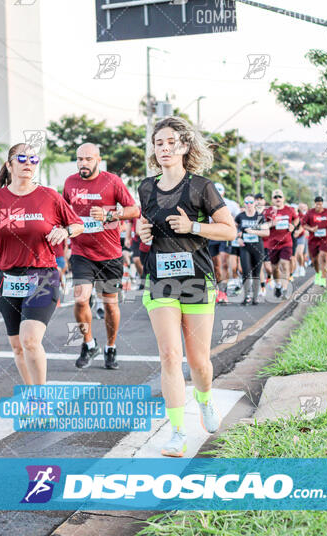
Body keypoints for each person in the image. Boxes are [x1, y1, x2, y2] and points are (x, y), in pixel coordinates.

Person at [138, 117, 236, 457]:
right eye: (158, 143)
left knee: (199, 362)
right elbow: (145, 227)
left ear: (184, 147)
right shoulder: (146, 188)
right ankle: (177, 432)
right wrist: (143, 233)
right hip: (160, 279)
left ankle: (205, 400)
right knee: (169, 356)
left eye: (170, 142)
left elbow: (229, 231)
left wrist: (193, 225)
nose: (164, 148)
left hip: (196, 279)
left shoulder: (201, 187)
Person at [0, 143, 83, 385]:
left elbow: (78, 224)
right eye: (22, 158)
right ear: (9, 164)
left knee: (29, 339)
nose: (28, 163)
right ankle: (32, 395)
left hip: (42, 276)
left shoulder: (49, 196)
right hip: (6, 278)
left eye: (33, 159)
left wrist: (66, 231)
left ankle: (41, 399)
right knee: (17, 345)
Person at [63, 143, 139, 370]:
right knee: (80, 299)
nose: (82, 163)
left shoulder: (112, 181)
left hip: (109, 254)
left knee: (110, 305)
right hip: (81, 251)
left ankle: (111, 347)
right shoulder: (70, 183)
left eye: (87, 159)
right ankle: (89, 343)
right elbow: (63, 211)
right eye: (79, 159)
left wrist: (109, 215)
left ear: (98, 159)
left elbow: (133, 210)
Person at [263, 189, 298, 298]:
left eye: (280, 197)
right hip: (272, 244)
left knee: (285, 264)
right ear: (272, 200)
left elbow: (296, 220)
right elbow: (262, 226)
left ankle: (284, 288)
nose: (278, 199)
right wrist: (271, 223)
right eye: (275, 197)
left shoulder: (290, 210)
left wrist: (293, 226)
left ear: (283, 198)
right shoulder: (268, 211)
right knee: (274, 268)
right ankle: (278, 285)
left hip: (286, 242)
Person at [208, 183, 239, 303]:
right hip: (211, 237)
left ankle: (223, 292)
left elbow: (239, 218)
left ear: (223, 193)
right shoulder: (206, 203)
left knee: (223, 262)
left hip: (224, 237)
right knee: (215, 265)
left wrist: (230, 224)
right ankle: (218, 290)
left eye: (219, 191)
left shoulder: (230, 204)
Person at [235, 194, 269, 305]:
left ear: (255, 203)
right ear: (244, 204)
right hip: (245, 247)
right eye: (246, 202)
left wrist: (253, 232)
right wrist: (238, 238)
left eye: (251, 202)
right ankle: (246, 296)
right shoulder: (240, 216)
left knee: (256, 273)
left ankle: (255, 297)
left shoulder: (259, 217)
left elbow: (266, 232)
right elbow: (233, 229)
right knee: (246, 271)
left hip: (257, 247)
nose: (249, 205)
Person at [302, 196, 327, 287]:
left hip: (325, 240)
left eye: (320, 204)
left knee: (324, 257)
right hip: (313, 240)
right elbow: (303, 224)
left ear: (322, 204)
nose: (318, 206)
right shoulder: (310, 212)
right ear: (314, 204)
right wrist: (311, 228)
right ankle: (317, 273)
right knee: (314, 260)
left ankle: (323, 279)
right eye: (317, 204)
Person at [255, 193, 271, 295]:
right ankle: (263, 287)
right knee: (259, 266)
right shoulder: (251, 212)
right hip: (256, 243)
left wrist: (266, 225)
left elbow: (273, 224)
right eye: (257, 199)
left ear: (264, 201)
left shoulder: (269, 212)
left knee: (268, 267)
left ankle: (270, 277)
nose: (259, 201)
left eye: (261, 199)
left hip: (268, 243)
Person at [292, 203, 308, 277]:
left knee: (299, 253)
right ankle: (296, 269)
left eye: (295, 208)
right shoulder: (289, 216)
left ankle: (301, 267)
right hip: (292, 237)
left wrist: (298, 232)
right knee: (293, 256)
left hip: (301, 236)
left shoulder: (302, 216)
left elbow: (303, 226)